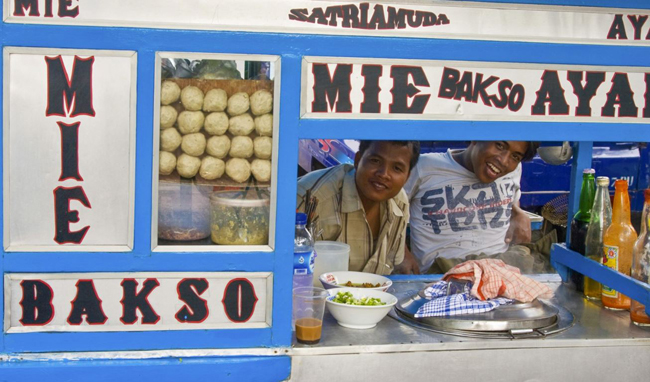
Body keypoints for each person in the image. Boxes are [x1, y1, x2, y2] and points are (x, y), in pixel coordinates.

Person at [396, 141, 541, 275]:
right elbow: (387, 209)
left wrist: (517, 212)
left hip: (498, 272)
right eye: (500, 146)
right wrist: (401, 253)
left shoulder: (513, 170)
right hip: (439, 275)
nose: (503, 161)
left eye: (515, 156)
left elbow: (511, 197)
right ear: (476, 138)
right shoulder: (424, 167)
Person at [296, 140, 420, 275]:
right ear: (358, 160)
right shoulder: (312, 200)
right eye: (375, 161)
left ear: (407, 177)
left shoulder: (399, 202)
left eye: (397, 168)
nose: (384, 174)